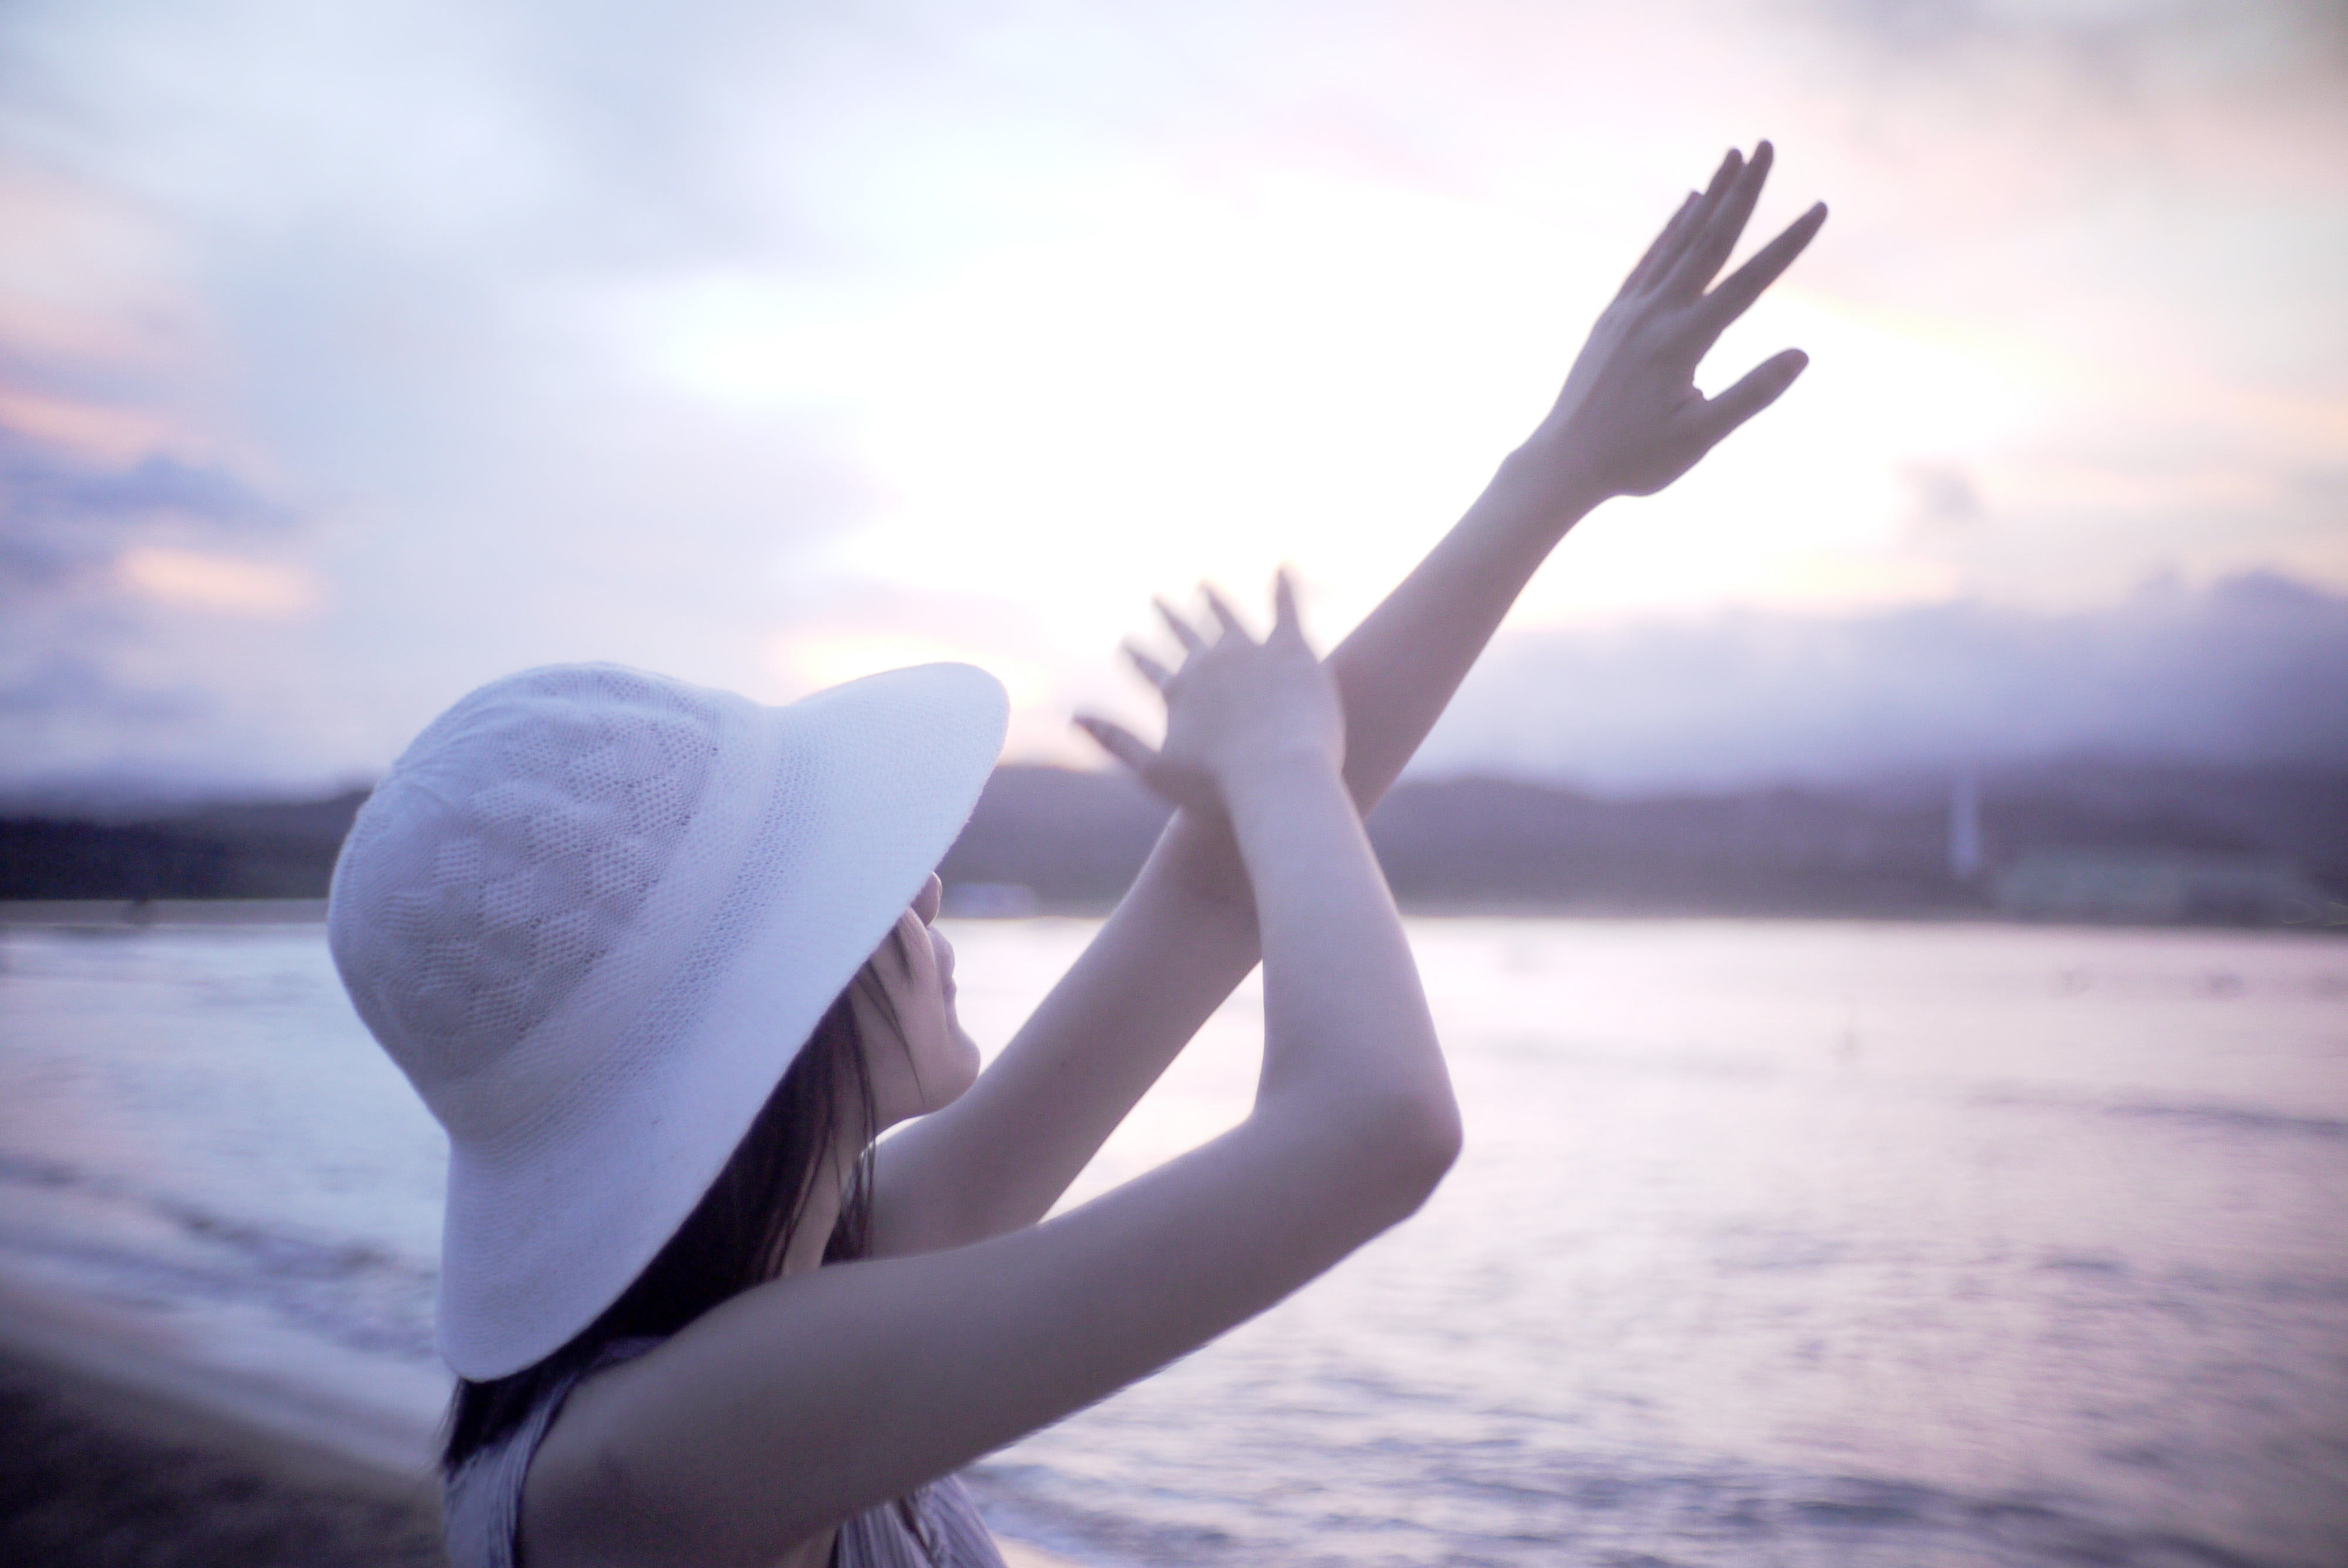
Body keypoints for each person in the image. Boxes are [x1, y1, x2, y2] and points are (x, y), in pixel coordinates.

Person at [326, 143, 1824, 1568]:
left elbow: (1214, 888)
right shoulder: (661, 1448)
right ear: (748, 1027)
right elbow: (1372, 1127)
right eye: (838, 898)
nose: (915, 890)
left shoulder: (804, 1291)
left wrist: (1549, 475)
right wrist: (1282, 761)